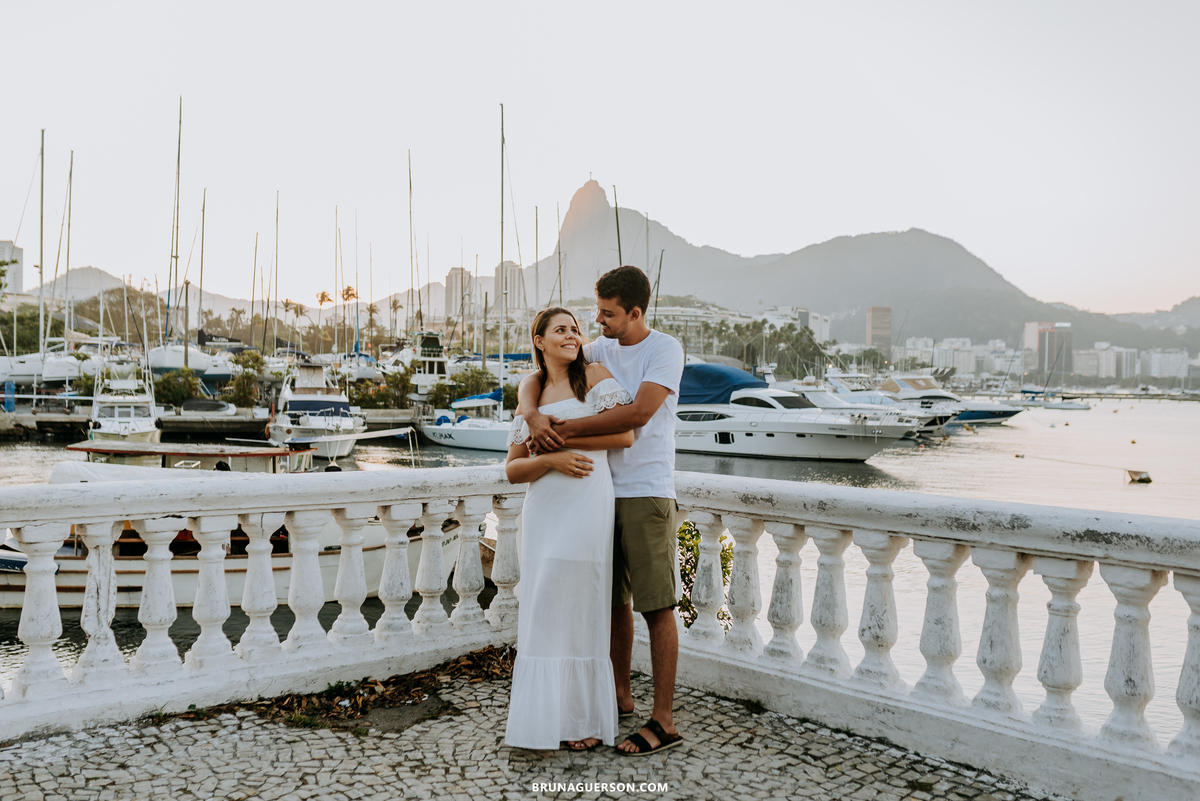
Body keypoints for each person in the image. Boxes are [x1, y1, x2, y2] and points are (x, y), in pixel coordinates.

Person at [519, 265, 686, 756]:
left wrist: (561, 432)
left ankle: (664, 720)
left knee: (656, 605)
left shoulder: (664, 349)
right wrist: (531, 415)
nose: (599, 321)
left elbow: (636, 416)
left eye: (609, 313)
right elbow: (538, 371)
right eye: (598, 311)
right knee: (612, 603)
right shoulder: (599, 349)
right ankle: (617, 695)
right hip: (601, 493)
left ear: (636, 312)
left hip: (646, 490)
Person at [503, 307, 635, 751]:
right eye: (560, 330)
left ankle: (584, 718)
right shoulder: (533, 392)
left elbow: (623, 437)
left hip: (586, 503)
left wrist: (561, 440)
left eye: (575, 329)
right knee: (542, 606)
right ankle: (545, 717)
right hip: (544, 510)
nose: (572, 335)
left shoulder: (593, 376)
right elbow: (514, 470)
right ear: (539, 341)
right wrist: (548, 460)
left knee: (582, 600)